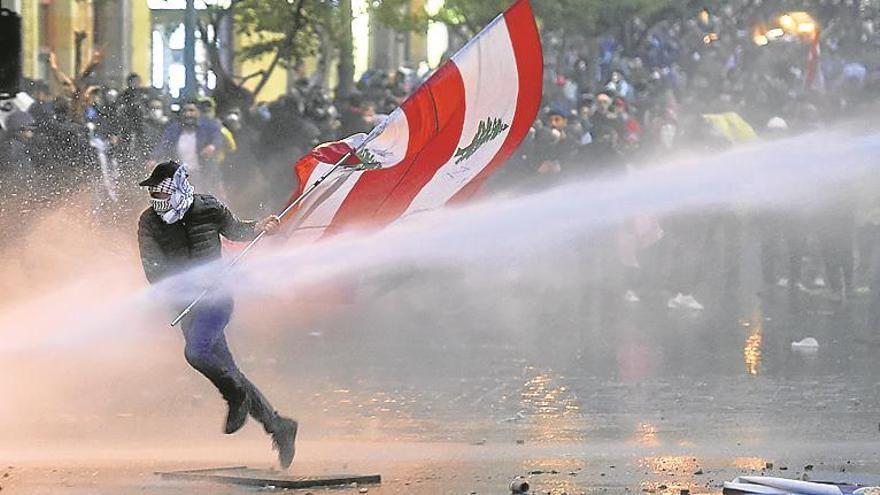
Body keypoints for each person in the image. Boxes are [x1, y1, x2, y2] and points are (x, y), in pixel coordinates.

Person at [136, 161, 298, 468]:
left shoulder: (208, 207)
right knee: (227, 368)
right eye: (152, 191)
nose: (156, 196)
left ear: (181, 188)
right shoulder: (149, 222)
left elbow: (236, 228)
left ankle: (235, 397)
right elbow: (152, 267)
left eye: (162, 190)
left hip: (217, 297)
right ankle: (279, 426)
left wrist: (260, 227)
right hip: (186, 307)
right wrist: (182, 285)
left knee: (196, 352)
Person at [150, 101, 225, 195]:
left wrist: (212, 146)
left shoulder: (208, 127)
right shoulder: (174, 129)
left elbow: (218, 137)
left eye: (191, 110)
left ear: (198, 112)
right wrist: (154, 158)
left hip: (203, 173)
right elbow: (163, 144)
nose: (188, 114)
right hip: (181, 175)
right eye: (185, 111)